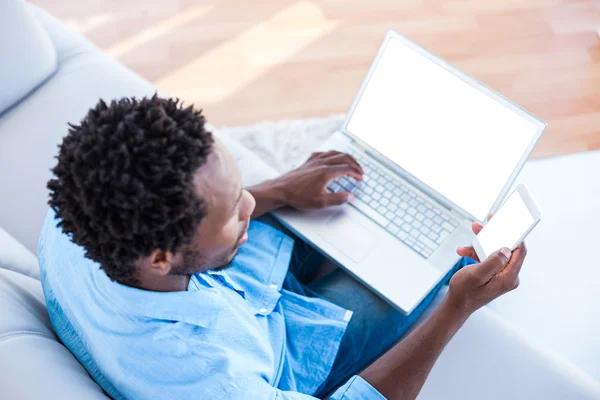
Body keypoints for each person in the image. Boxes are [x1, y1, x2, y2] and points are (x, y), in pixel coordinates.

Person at [40, 95, 526, 400]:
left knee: (363, 207)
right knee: (442, 264)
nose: (251, 201)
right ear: (163, 257)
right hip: (285, 355)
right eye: (233, 211)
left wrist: (284, 188)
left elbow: (235, 206)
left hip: (233, 289)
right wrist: (456, 309)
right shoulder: (217, 382)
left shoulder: (79, 212)